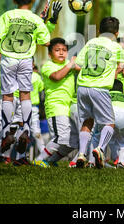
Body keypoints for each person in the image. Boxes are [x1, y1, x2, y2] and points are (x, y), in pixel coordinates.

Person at [0, 0, 60, 157]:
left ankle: (7, 130)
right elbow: (45, 41)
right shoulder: (36, 19)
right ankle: (26, 128)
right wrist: (41, 23)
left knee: (7, 95)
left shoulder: (8, 15)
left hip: (8, 60)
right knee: (25, 94)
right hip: (26, 60)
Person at [74, 17, 124, 168]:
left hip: (82, 86)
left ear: (99, 31)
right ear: (117, 32)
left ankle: (81, 154)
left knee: (87, 120)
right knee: (109, 123)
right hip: (99, 88)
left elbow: (78, 63)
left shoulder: (90, 43)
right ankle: (99, 149)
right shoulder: (115, 46)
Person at [34, 38, 78, 166]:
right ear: (49, 54)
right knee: (61, 138)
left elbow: (84, 69)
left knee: (73, 142)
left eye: (64, 50)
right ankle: (39, 159)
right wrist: (70, 65)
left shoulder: (69, 65)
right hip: (56, 107)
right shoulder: (48, 65)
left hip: (68, 107)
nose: (61, 53)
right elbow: (57, 77)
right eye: (57, 50)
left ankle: (50, 161)